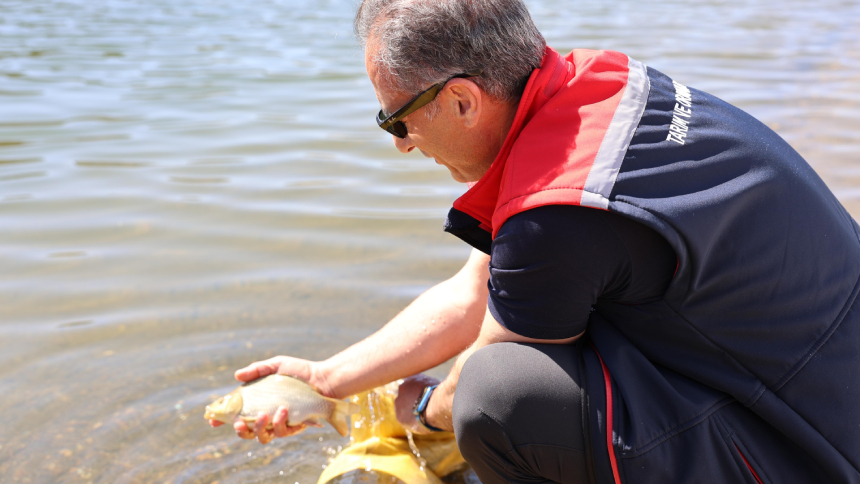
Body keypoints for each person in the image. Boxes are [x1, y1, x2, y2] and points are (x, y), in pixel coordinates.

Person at [211, 0, 860, 482]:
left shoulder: (555, 215)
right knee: (549, 330)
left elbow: (481, 379)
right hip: (825, 373)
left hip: (811, 442)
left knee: (499, 397)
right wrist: (330, 380)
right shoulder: (596, 89)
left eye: (397, 119)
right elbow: (478, 289)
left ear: (462, 100)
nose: (402, 144)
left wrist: (420, 407)